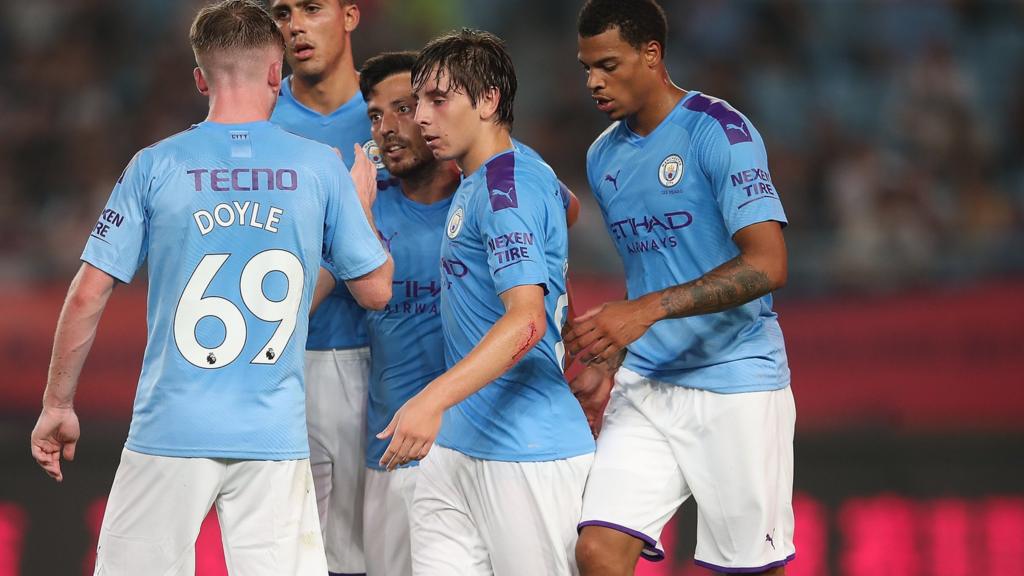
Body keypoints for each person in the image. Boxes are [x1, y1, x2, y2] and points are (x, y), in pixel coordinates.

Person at [28, 1, 393, 574]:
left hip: (169, 428)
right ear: (278, 73)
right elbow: (375, 290)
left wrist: (57, 404)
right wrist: (363, 206)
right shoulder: (321, 168)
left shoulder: (153, 165)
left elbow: (85, 294)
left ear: (200, 78)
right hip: (273, 435)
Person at [566, 1, 796, 575]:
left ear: (652, 54)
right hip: (648, 384)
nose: (594, 81)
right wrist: (614, 348)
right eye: (586, 67)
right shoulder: (603, 156)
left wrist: (644, 311)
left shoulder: (720, 131)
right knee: (596, 551)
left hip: (736, 381)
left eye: (609, 65)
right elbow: (655, 269)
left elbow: (768, 265)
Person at [375, 29, 594, 576]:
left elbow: (527, 321)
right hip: (456, 452)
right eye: (418, 101)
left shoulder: (505, 187)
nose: (422, 117)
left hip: (528, 451)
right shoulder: (500, 174)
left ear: (489, 100)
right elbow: (566, 210)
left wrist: (431, 400)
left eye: (438, 100)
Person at [267, 2, 384, 573]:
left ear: (350, 16)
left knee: (377, 559)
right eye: (282, 11)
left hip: (390, 366)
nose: (295, 24)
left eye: (312, 8)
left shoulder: (400, 109)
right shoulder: (258, 118)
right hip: (288, 364)